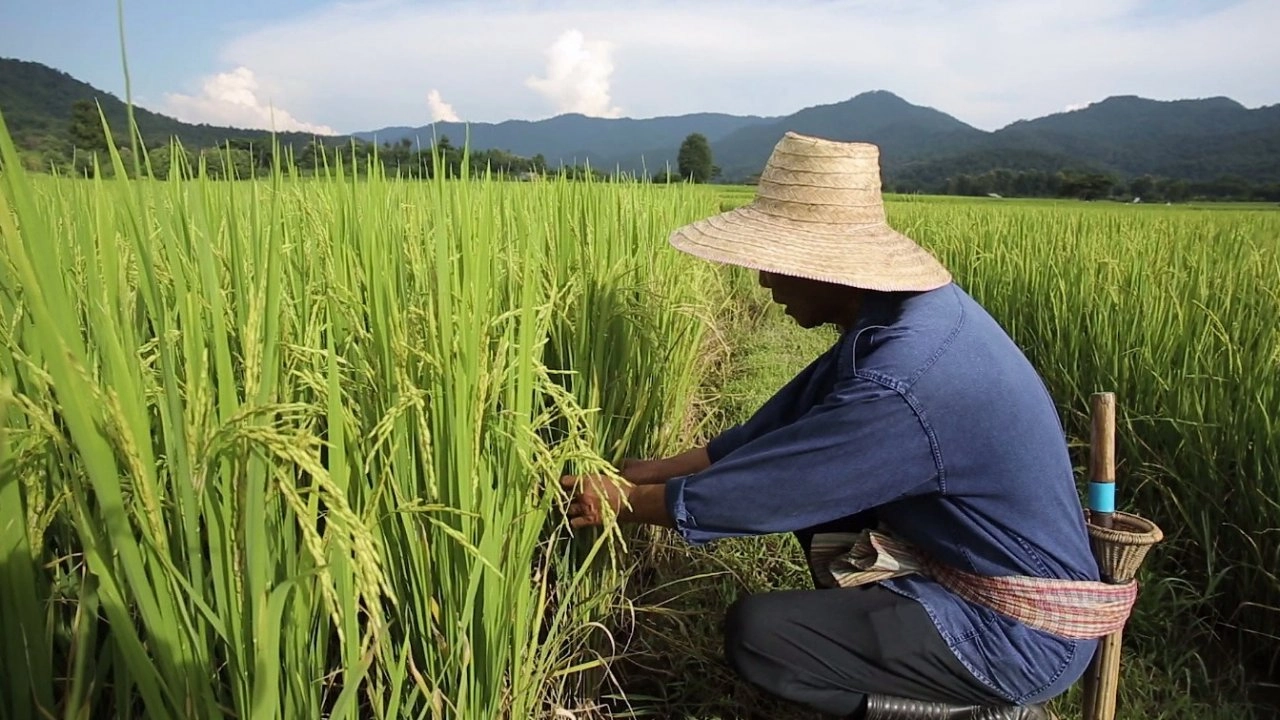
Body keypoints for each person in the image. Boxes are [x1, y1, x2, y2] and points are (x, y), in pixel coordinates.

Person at [561, 132, 1134, 720]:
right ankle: (888, 640)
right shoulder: (904, 316)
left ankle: (984, 710)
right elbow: (783, 429)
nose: (764, 282)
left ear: (827, 267)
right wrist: (649, 472)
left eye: (774, 263)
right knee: (823, 508)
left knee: (763, 635)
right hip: (973, 563)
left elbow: (778, 486)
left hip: (1018, 632)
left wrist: (623, 502)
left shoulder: (905, 382)